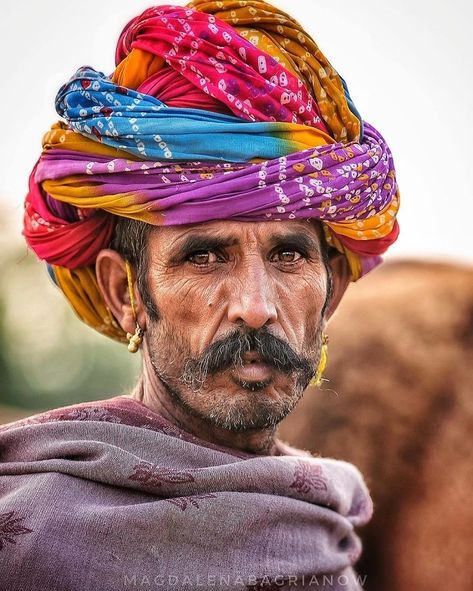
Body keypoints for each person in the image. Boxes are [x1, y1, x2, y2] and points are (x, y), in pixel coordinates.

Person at [0, 1, 400, 589]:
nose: (256, 306)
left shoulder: (328, 538)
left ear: (332, 290)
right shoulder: (27, 541)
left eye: (289, 255)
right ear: (125, 292)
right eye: (204, 256)